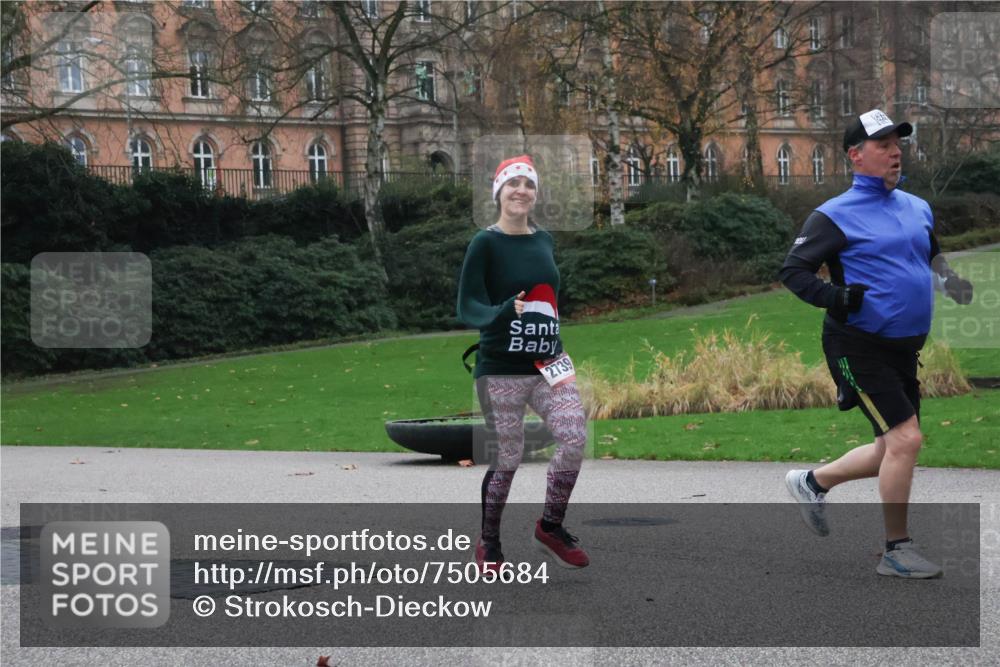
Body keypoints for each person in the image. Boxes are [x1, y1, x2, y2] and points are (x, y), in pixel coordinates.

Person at [779, 109, 974, 579]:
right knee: (906, 438)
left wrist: (949, 280)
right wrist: (835, 297)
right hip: (856, 344)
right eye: (883, 144)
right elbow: (794, 271)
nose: (894, 151)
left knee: (892, 447)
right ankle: (896, 549)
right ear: (855, 155)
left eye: (897, 143)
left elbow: (929, 252)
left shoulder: (916, 207)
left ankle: (811, 482)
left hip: (903, 348)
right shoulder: (834, 215)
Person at [457, 154, 590, 572]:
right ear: (499, 191)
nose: (521, 191)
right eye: (513, 183)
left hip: (548, 363)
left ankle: (550, 526)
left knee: (574, 437)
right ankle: (490, 541)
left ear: (535, 194)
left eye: (528, 184)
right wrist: (498, 311)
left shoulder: (544, 240)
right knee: (508, 458)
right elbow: (468, 303)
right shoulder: (485, 242)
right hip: (501, 368)